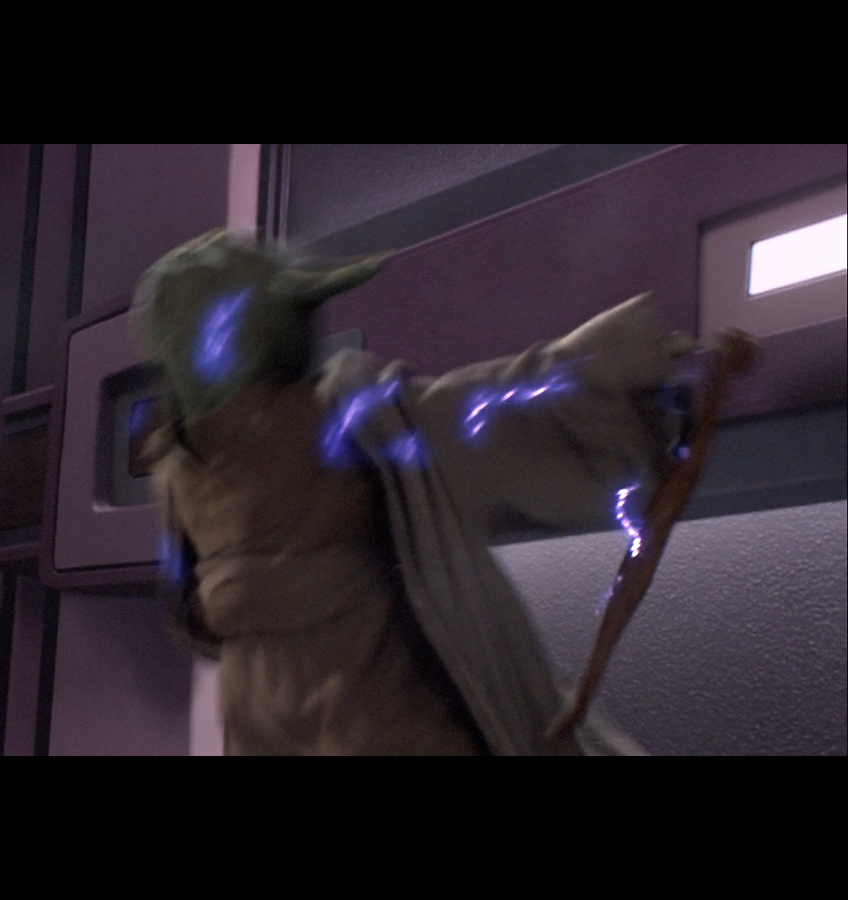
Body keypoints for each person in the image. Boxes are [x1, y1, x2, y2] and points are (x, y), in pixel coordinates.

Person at [133, 229, 691, 755]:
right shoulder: (330, 426)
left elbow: (194, 613)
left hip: (280, 720)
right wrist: (627, 360)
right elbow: (494, 406)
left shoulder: (186, 471)